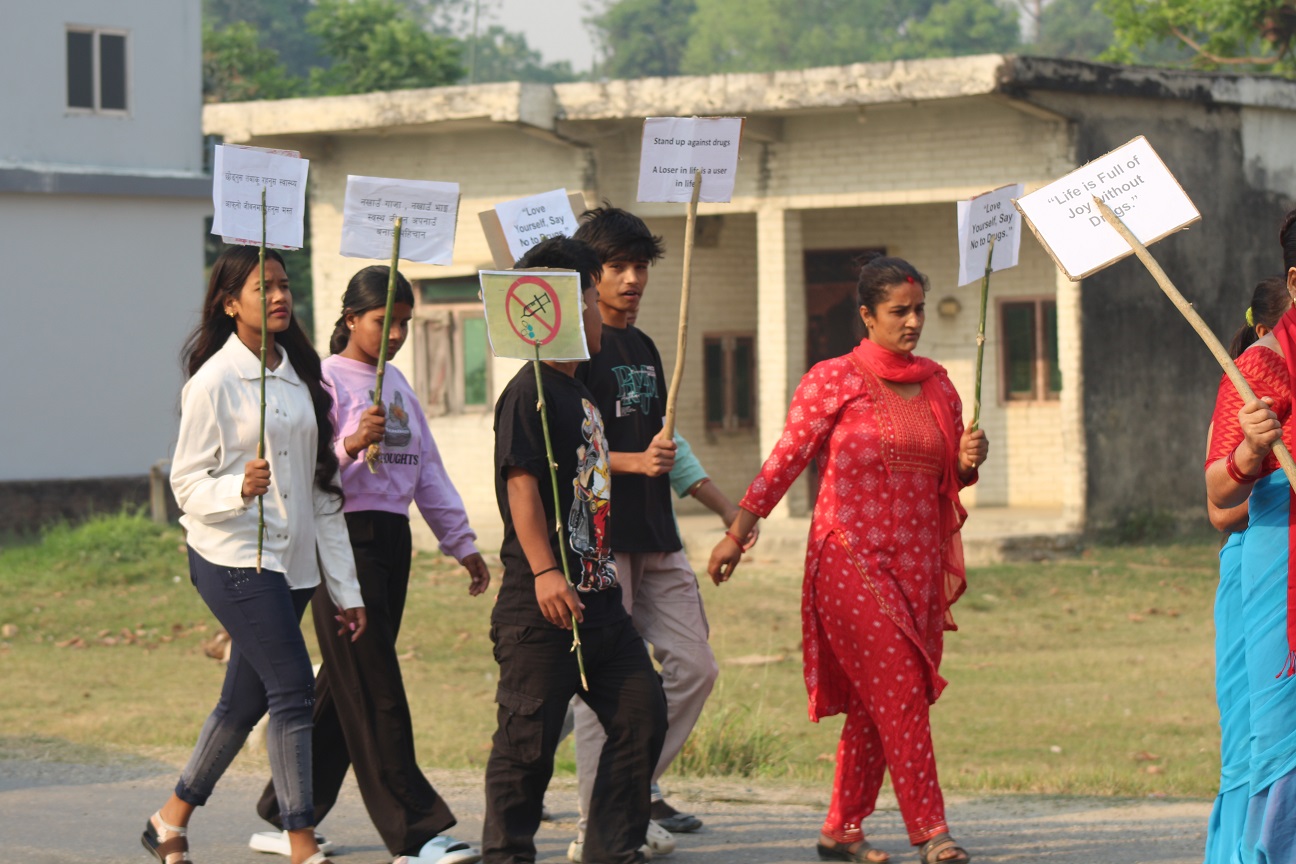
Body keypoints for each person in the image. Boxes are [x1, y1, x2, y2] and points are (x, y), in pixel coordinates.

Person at [707, 256, 987, 864]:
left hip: (915, 566)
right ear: (866, 315)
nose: (912, 321)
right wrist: (738, 531)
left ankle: (841, 829)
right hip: (850, 556)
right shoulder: (834, 378)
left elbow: (949, 481)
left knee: (882, 698)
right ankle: (932, 832)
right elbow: (787, 458)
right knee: (901, 694)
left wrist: (967, 459)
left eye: (918, 309)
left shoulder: (939, 383)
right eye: (898, 312)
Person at [251, 266, 490, 864]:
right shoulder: (321, 381)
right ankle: (415, 831)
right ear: (352, 317)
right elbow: (302, 470)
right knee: (378, 686)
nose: (396, 335)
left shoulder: (400, 386)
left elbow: (427, 470)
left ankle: (286, 813)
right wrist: (351, 444)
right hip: (339, 541)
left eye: (406, 323)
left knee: (348, 685)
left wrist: (461, 543)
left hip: (392, 540)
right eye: (386, 321)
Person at [144, 246, 367, 864]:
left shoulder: (302, 375)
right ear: (229, 302)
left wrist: (344, 590)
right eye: (261, 286)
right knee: (293, 687)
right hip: (231, 555)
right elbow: (186, 485)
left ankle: (169, 819)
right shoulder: (213, 381)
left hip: (290, 565)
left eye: (282, 284)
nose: (277, 295)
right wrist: (236, 486)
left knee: (241, 702)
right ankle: (300, 839)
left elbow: (325, 490)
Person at [483, 236, 667, 864]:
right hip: (543, 608)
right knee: (526, 750)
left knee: (642, 715)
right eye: (588, 299)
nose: (597, 313)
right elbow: (521, 484)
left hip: (600, 602)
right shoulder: (528, 392)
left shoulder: (580, 392)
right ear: (557, 308)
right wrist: (543, 571)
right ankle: (506, 855)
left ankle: (610, 850)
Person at [566, 206, 726, 854]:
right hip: (604, 540)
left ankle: (624, 794)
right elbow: (559, 446)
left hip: (658, 534)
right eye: (617, 267)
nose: (632, 279)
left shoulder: (649, 347)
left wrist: (725, 506)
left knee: (696, 667)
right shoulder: (573, 353)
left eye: (641, 266)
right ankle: (594, 826)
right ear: (590, 275)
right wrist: (629, 462)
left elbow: (669, 443)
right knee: (601, 686)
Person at [1205, 207, 1296, 864]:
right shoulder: (1262, 368)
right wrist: (1249, 454)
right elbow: (1220, 502)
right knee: (1276, 748)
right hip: (1279, 573)